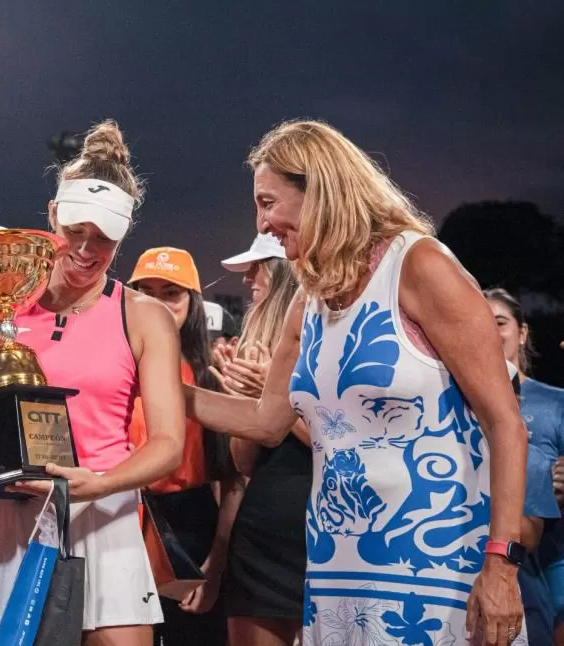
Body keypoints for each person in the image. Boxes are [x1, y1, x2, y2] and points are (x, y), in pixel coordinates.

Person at [184, 120, 528, 646]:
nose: (262, 222)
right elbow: (264, 422)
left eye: (269, 202)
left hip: (435, 566)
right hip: (336, 567)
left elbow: (505, 423)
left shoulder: (419, 266)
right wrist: (161, 385)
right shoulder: (308, 300)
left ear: (319, 190)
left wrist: (502, 564)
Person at [0, 121, 186, 646]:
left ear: (123, 236)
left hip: (104, 517)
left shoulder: (143, 315)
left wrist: (99, 483)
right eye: (75, 230)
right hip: (4, 525)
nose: (85, 249)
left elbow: (169, 444)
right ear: (52, 215)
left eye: (102, 238)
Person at [127, 246, 241, 645]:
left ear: (193, 301)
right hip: (121, 519)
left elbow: (232, 477)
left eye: (171, 292)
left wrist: (215, 564)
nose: (158, 303)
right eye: (148, 291)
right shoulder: (115, 368)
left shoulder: (209, 374)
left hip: (188, 526)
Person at [210, 233, 310, 646]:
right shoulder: (251, 345)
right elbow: (244, 461)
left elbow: (340, 442)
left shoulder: (324, 336)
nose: (249, 277)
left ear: (284, 270)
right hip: (264, 529)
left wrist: (275, 399)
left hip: (326, 525)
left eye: (258, 266)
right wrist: (244, 402)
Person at [486, 288, 564, 644]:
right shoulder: (455, 398)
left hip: (543, 563)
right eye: (481, 322)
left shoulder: (555, 402)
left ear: (522, 332)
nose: (490, 331)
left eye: (500, 322)